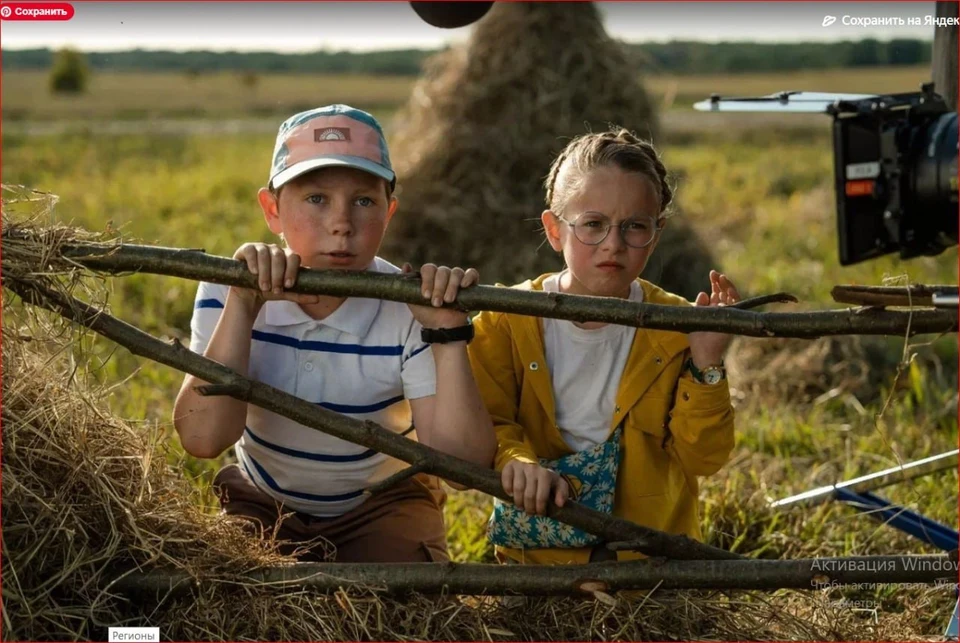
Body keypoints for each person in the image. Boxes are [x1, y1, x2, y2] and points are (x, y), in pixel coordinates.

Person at [173, 104, 496, 563]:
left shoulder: (409, 308)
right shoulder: (227, 290)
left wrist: (446, 334)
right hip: (264, 498)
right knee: (227, 599)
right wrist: (244, 305)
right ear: (272, 209)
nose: (342, 222)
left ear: (390, 211)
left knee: (403, 609)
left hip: (380, 502)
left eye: (364, 201)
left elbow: (463, 467)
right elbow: (202, 441)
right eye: (316, 198)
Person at [467, 127, 739, 565]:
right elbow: (487, 422)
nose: (614, 244)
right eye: (593, 224)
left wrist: (706, 364)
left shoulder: (677, 326)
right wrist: (516, 460)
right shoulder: (506, 320)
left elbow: (703, 459)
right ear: (554, 230)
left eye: (635, 227)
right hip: (536, 570)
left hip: (652, 571)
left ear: (658, 230)